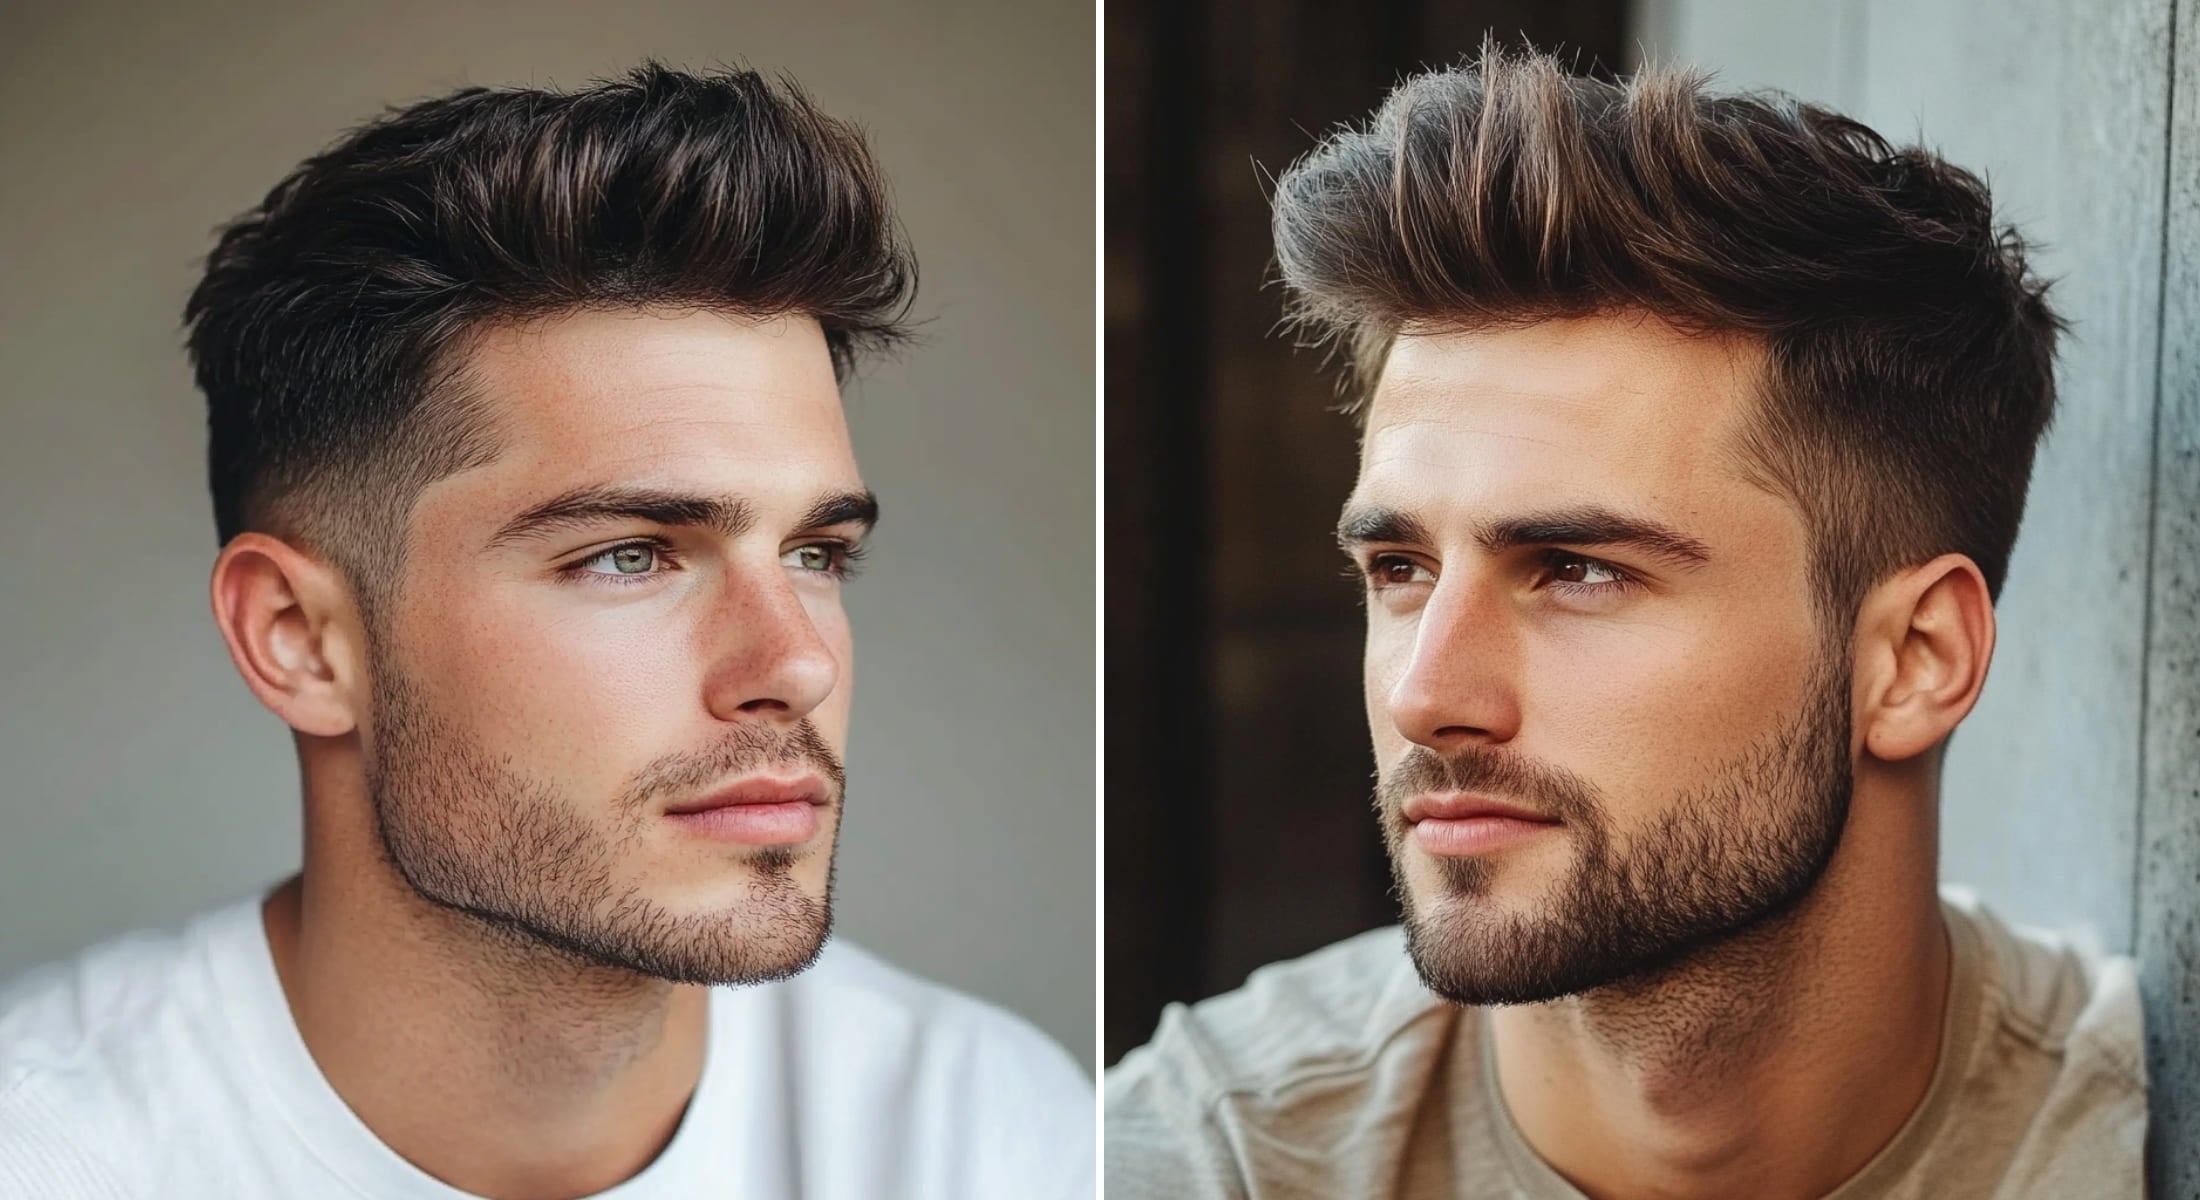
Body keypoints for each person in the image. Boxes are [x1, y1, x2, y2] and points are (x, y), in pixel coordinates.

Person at [0, 64, 1091, 1199]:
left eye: (816, 555)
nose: (798, 663)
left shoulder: (983, 1131)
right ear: (301, 639)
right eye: (629, 555)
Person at [1106, 46, 2145, 1200]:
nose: (1424, 695)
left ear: (1912, 659)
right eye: (1399, 567)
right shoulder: (1202, 1157)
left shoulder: (2126, 1143)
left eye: (1575, 571)